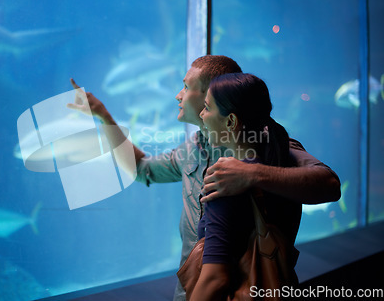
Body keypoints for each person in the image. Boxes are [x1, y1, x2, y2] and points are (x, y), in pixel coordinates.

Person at [68, 55, 340, 301]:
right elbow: (142, 169)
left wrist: (252, 173)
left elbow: (328, 184)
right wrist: (103, 116)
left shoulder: (270, 146)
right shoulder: (192, 149)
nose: (178, 95)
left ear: (212, 92)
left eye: (186, 87)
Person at [191, 72, 301, 300]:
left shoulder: (226, 183)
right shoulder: (283, 168)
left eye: (207, 108)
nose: (201, 115)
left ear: (230, 121)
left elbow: (215, 279)